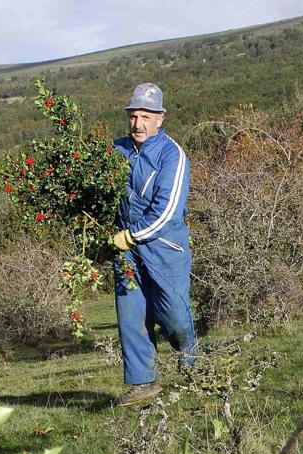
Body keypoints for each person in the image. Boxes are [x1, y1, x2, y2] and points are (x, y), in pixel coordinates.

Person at [110, 82, 197, 406]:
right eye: (134, 116)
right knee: (131, 315)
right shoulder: (115, 151)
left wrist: (134, 235)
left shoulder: (172, 154)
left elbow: (168, 210)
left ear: (160, 118)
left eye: (146, 116)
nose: (138, 124)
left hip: (165, 247)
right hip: (125, 250)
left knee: (173, 314)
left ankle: (194, 366)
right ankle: (142, 383)